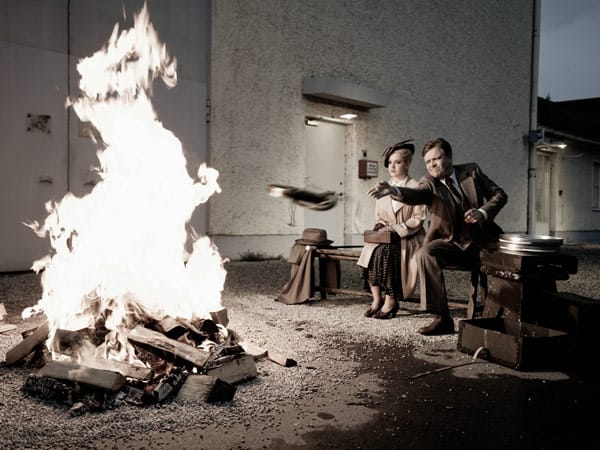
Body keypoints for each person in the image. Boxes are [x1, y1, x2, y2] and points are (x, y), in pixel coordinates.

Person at [368, 137, 507, 334]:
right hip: (452, 243)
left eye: (437, 158)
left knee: (517, 265)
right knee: (426, 253)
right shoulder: (429, 182)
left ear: (449, 157)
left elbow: (499, 195)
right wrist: (394, 190)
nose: (432, 165)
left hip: (483, 242)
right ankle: (442, 318)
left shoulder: (471, 171)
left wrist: (483, 212)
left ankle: (513, 313)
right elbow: (415, 195)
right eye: (428, 161)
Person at [357, 140, 426, 319]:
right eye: (390, 162)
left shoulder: (416, 187)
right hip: (387, 235)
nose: (392, 166)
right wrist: (381, 225)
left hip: (408, 236)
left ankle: (391, 301)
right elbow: (380, 216)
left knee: (386, 253)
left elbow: (418, 218)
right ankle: (376, 299)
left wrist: (396, 229)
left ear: (408, 164)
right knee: (372, 252)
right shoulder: (383, 187)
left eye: (398, 162)